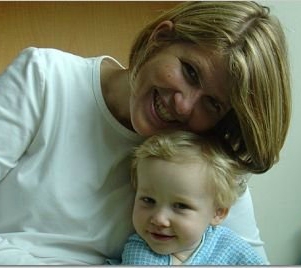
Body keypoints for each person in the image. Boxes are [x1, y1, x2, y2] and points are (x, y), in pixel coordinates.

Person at [0, 1, 290, 265]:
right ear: (160, 38)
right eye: (190, 71)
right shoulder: (46, 78)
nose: (184, 105)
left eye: (212, 103)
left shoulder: (208, 156)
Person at [120, 131, 264, 265]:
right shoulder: (139, 253)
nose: (159, 219)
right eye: (148, 200)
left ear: (218, 212)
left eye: (180, 206)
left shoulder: (229, 246)